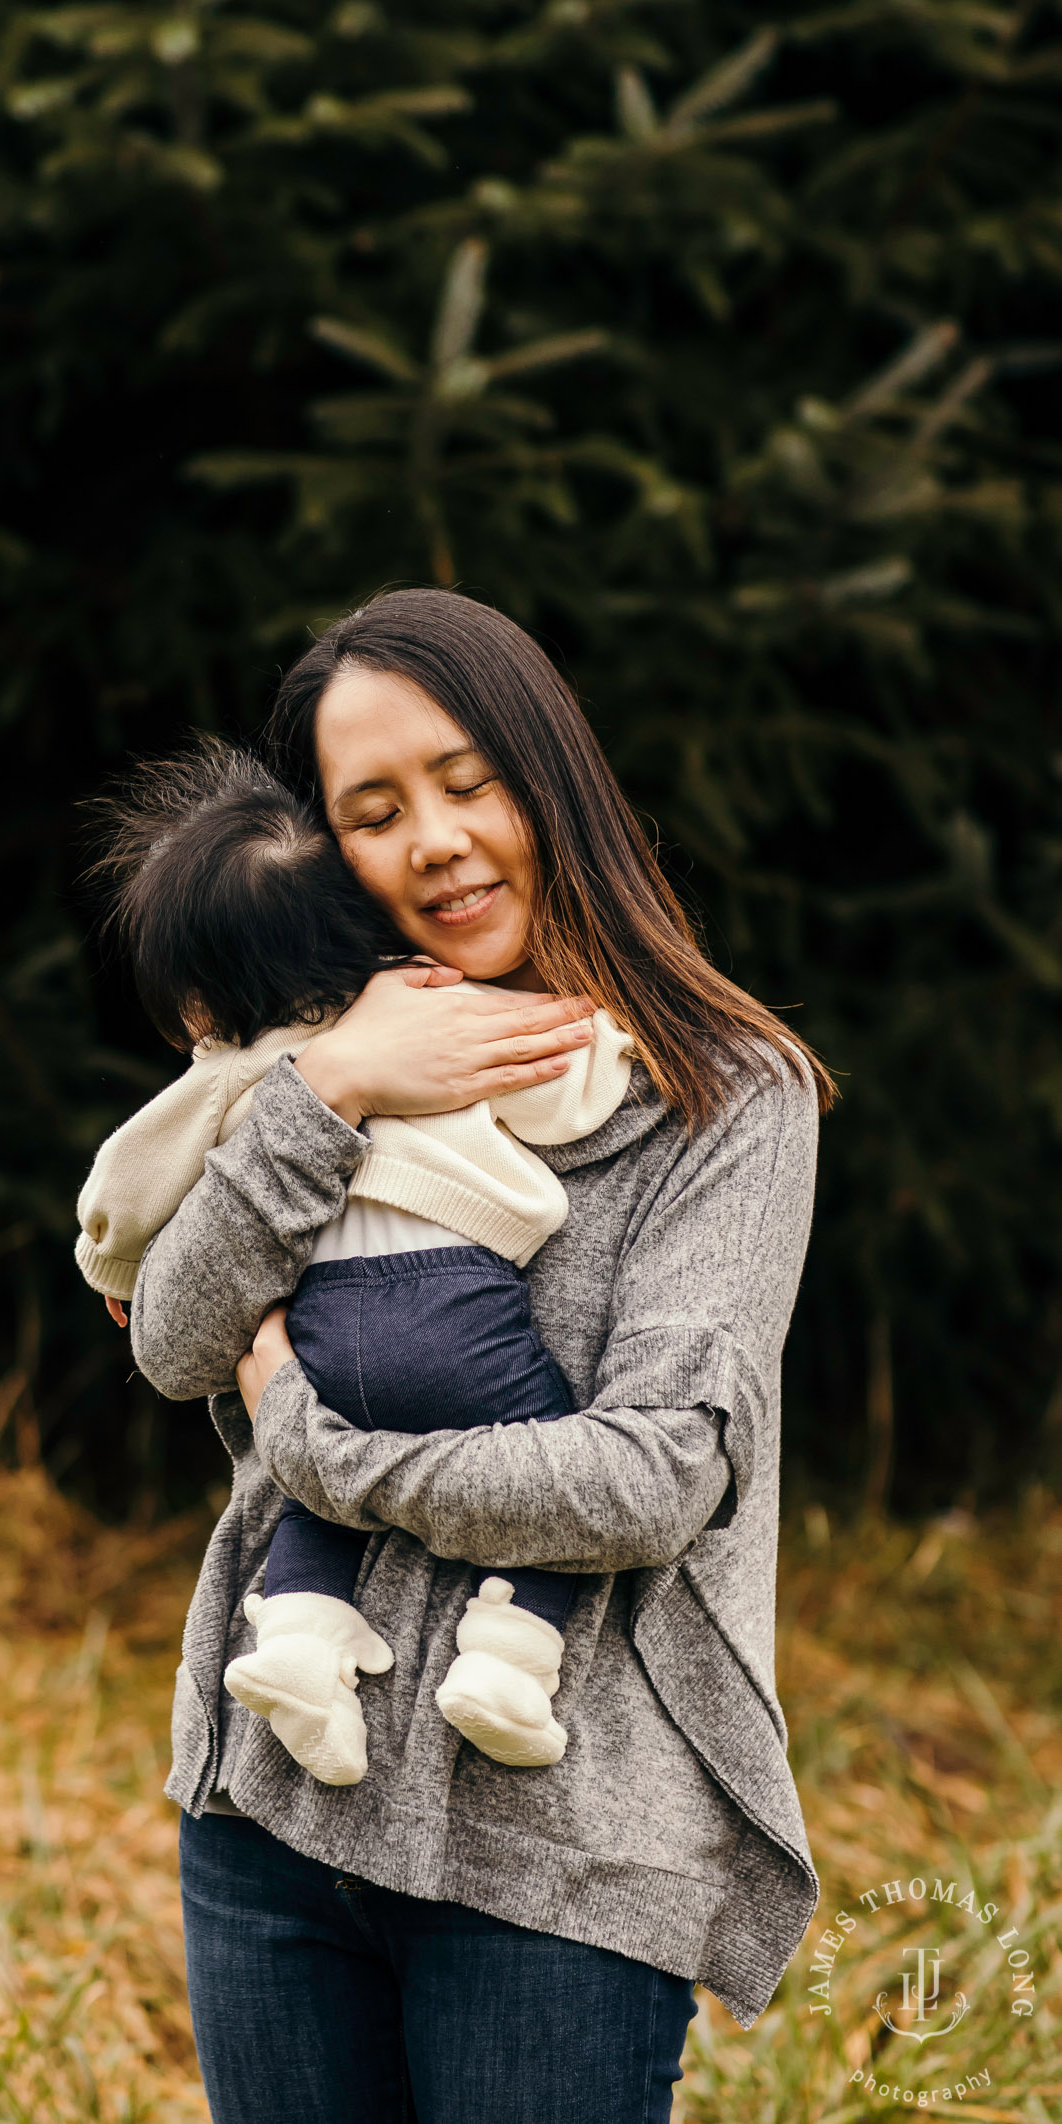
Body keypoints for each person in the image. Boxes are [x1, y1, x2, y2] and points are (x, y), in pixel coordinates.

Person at [125, 589, 833, 2124]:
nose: (432, 840)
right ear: (325, 856)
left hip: (558, 1852)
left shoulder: (722, 1097)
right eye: (371, 813)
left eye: (466, 782)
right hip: (275, 1808)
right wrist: (332, 1083)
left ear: (547, 779)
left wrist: (315, 1456)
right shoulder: (314, 1066)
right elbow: (178, 1344)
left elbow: (647, 1479)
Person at [78, 737, 639, 1783]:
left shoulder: (223, 1073)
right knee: (544, 1432)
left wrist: (112, 1270)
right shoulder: (431, 1013)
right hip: (454, 1303)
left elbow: (122, 1184)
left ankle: (293, 1645)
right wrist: (612, 1034)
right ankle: (509, 1661)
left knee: (312, 1486)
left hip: (320, 1331)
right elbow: (563, 1080)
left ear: (196, 1001)